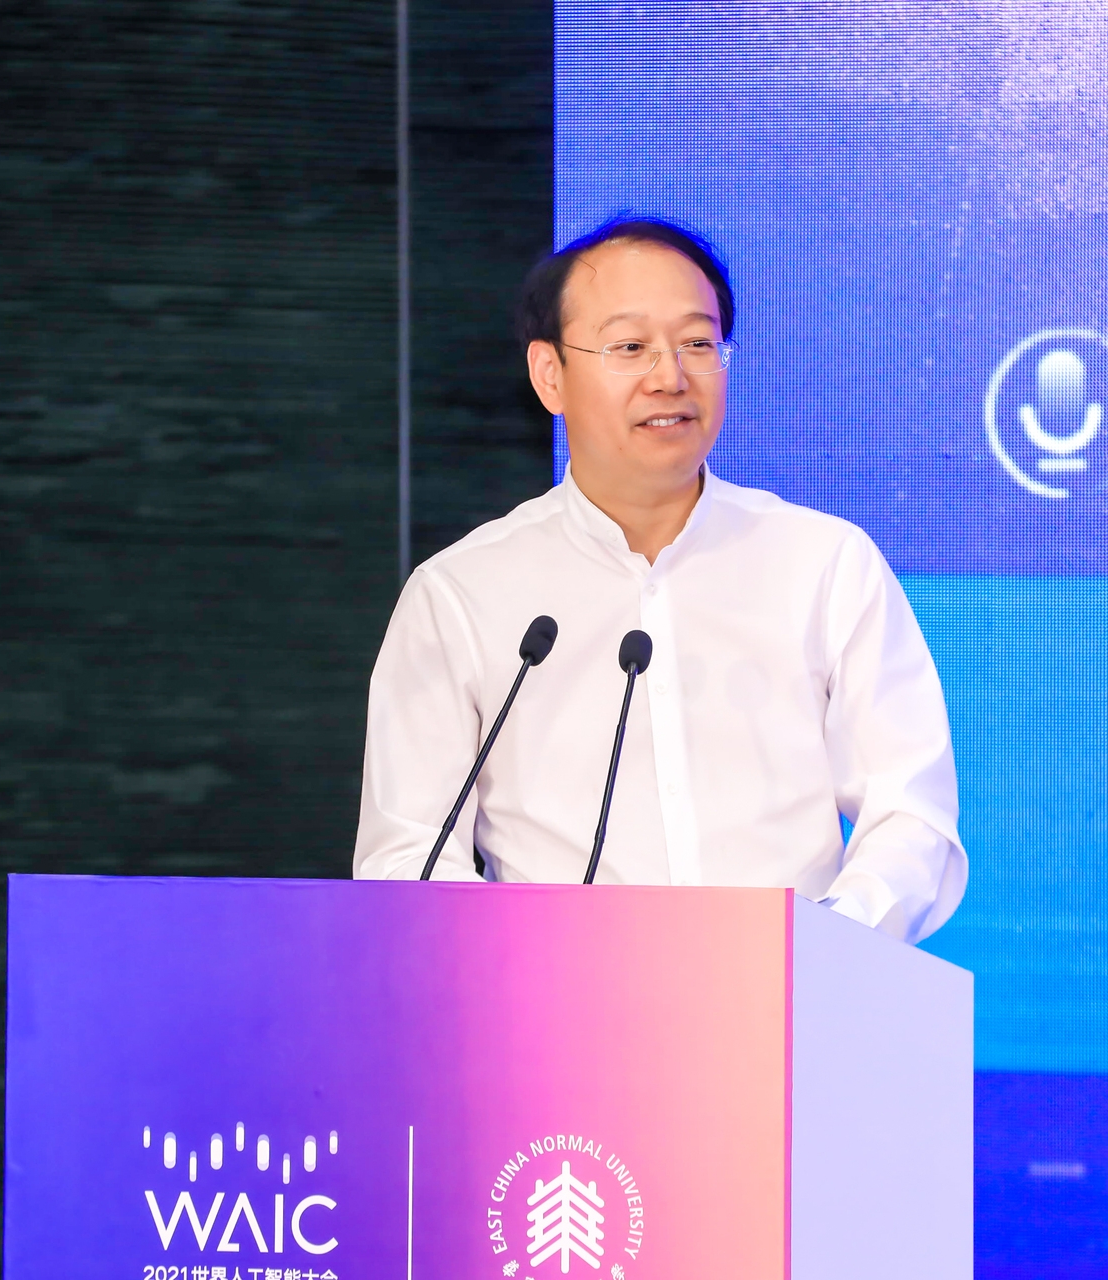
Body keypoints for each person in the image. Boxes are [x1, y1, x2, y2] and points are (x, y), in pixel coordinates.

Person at [353, 217, 966, 943]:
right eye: (630, 347)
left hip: (796, 994)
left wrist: (827, 946)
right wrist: (524, 964)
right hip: (555, 1000)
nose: (670, 377)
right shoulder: (461, 593)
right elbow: (408, 855)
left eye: (697, 344)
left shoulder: (825, 563)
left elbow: (911, 813)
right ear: (550, 375)